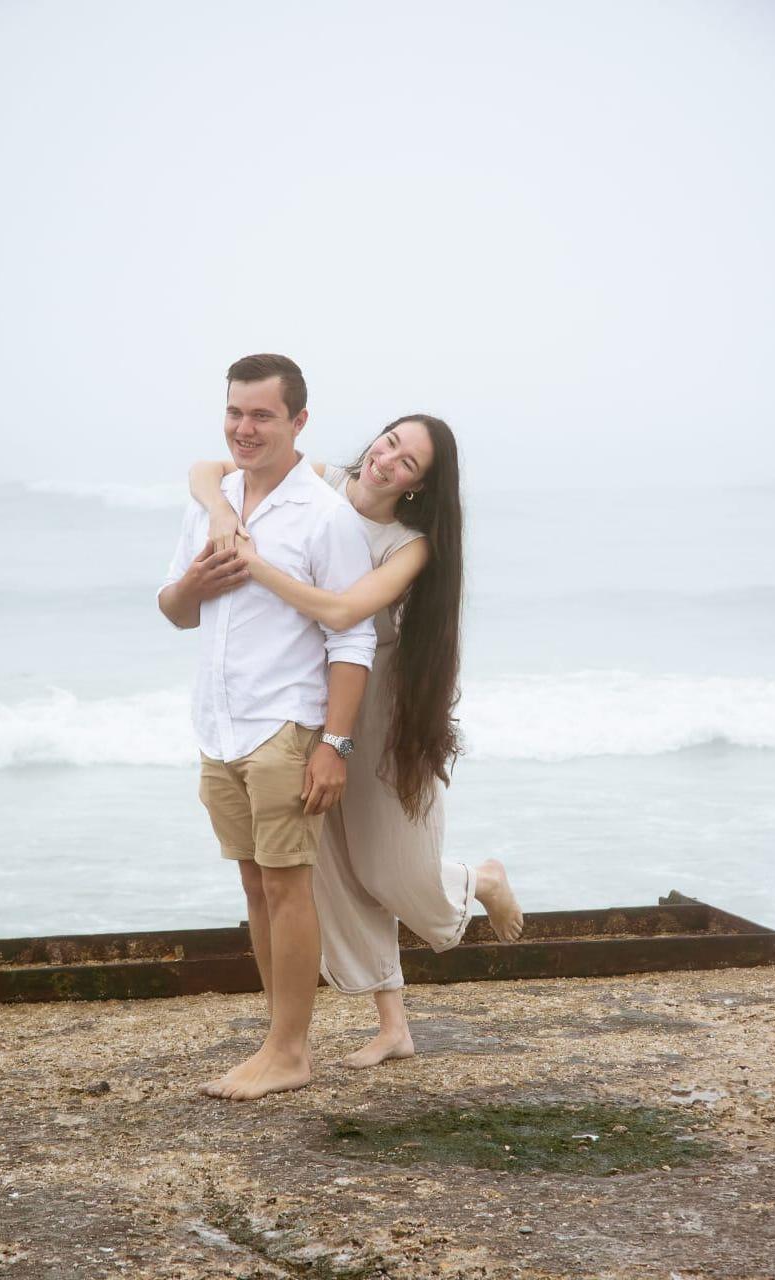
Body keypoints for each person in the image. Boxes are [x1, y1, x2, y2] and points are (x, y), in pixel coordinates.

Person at [188, 414, 523, 1070]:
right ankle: (392, 1025)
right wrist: (221, 515)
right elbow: (206, 471)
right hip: (310, 689)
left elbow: (345, 612)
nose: (387, 460)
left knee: (389, 869)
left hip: (380, 707)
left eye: (407, 463)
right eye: (390, 442)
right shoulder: (321, 480)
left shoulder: (410, 545)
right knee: (333, 866)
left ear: (419, 486)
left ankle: (476, 879)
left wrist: (253, 565)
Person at [158, 354, 376, 1101]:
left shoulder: (325, 514)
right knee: (254, 884)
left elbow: (353, 639)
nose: (244, 429)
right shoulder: (213, 501)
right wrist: (193, 583)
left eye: (262, 415)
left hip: (285, 723)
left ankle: (290, 1053)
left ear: (298, 421)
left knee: (286, 887)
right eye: (234, 413)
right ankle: (276, 1041)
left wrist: (333, 746)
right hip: (219, 725)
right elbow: (176, 611)